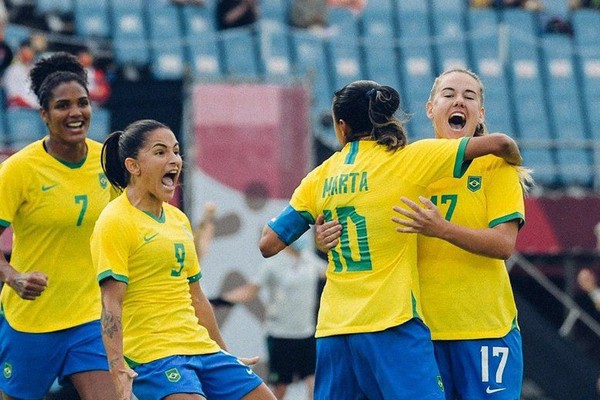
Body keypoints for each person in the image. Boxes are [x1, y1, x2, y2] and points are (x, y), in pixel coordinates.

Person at [258, 79, 522, 400]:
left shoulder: (320, 176)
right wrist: (513, 153)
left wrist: (321, 239)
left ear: (341, 128)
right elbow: (500, 143)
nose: (458, 102)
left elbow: (268, 244)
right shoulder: (410, 161)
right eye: (448, 94)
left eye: (468, 96)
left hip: (335, 328)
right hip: (391, 322)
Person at [91, 119, 277, 400]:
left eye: (176, 151)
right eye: (161, 152)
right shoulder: (115, 221)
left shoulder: (178, 219)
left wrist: (223, 355)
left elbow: (197, 298)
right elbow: (111, 302)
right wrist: (117, 368)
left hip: (200, 347)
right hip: (153, 355)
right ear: (133, 166)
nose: (174, 160)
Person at [0, 52, 118, 399]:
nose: (75, 113)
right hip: (30, 321)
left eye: (82, 103)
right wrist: (13, 277)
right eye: (63, 106)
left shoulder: (107, 161)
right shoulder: (19, 170)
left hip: (89, 320)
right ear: (44, 115)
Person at [218, 235, 326, 400]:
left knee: (313, 382)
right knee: (280, 387)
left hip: (306, 333)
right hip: (280, 335)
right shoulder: (273, 264)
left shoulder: (309, 259)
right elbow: (251, 291)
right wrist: (219, 300)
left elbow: (330, 273)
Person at [3, 39, 38, 108]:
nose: (28, 54)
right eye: (25, 51)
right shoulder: (12, 70)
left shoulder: (36, 70)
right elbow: (13, 97)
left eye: (30, 51)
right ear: (20, 52)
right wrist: (32, 106)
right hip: (18, 110)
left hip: (35, 110)